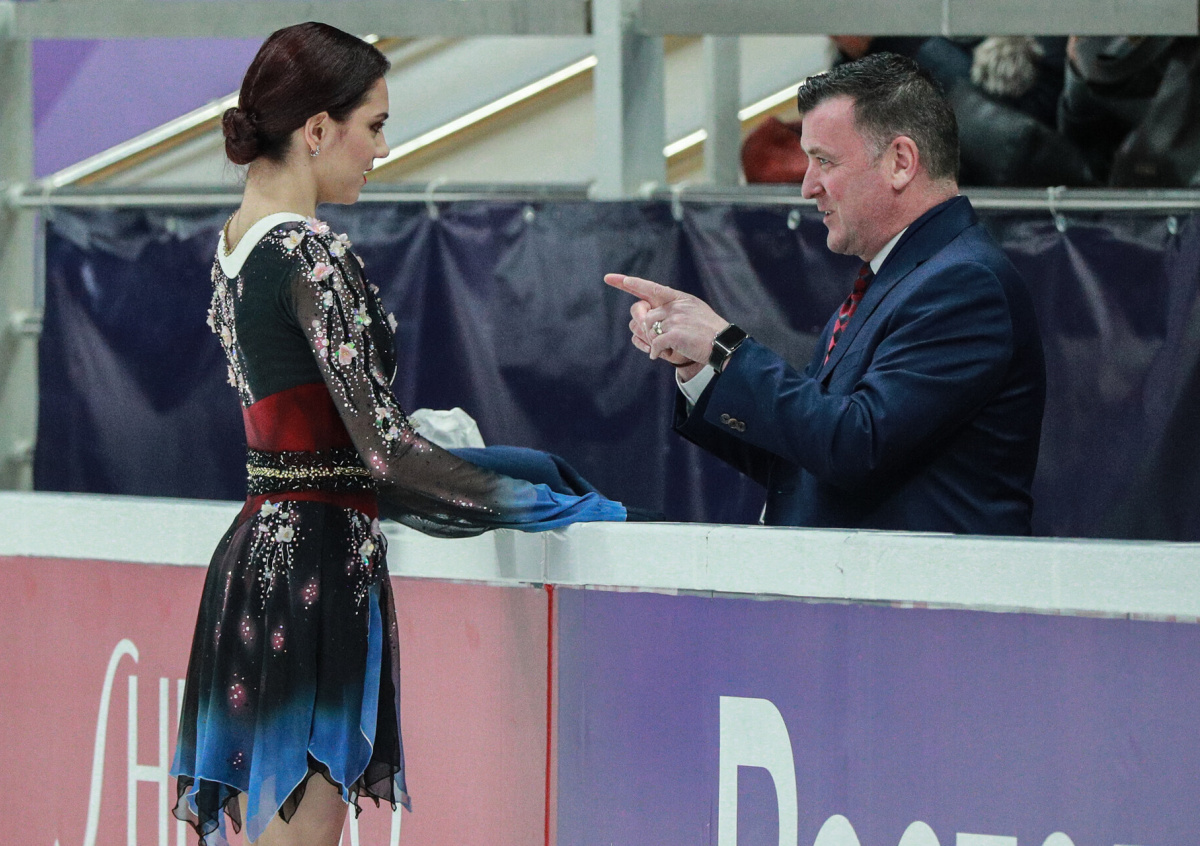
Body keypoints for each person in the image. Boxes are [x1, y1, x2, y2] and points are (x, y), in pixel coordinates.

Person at [170, 22, 624, 846]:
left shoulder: (235, 246)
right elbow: (384, 452)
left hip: (256, 556)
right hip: (314, 568)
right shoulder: (308, 255)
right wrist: (541, 504)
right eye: (374, 126)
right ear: (317, 129)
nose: (382, 148)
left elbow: (328, 446)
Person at [607, 53, 1046, 535]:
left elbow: (854, 445)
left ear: (901, 162)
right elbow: (805, 457)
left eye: (824, 161)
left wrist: (725, 348)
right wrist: (701, 366)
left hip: (918, 584)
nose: (807, 187)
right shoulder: (901, 278)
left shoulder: (964, 283)